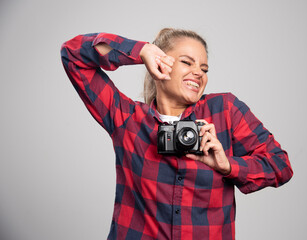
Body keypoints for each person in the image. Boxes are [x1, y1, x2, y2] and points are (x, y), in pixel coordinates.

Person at [61, 28, 293, 240]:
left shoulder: (225, 110)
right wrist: (140, 50)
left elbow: (280, 165)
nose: (198, 73)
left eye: (204, 68)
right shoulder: (127, 118)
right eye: (187, 62)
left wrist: (228, 166)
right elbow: (73, 54)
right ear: (159, 63)